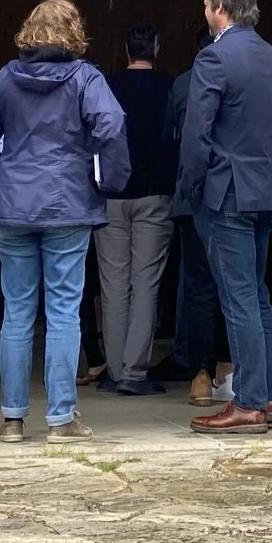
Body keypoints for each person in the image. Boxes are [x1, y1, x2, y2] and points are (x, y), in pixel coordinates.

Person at [0, 0, 130, 443]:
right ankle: (61, 420)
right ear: (74, 33)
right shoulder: (85, 77)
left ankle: (12, 420)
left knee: (17, 312)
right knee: (63, 312)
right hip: (67, 206)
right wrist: (108, 180)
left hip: (14, 206)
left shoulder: (6, 77)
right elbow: (112, 126)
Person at [175, 0, 272, 435]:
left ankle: (247, 403)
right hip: (267, 192)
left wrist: (190, 188)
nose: (205, 13)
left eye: (206, 5)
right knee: (257, 297)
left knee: (238, 298)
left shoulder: (213, 59)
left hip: (225, 193)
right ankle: (267, 394)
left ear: (219, 7)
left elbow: (195, 134)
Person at [95, 22, 176, 395]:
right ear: (155, 49)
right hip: (154, 194)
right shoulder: (169, 87)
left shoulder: (106, 86)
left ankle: (114, 368)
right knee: (146, 283)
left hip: (111, 194)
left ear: (126, 50)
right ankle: (134, 372)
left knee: (113, 285)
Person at [165, 66, 233, 407]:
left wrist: (184, 191)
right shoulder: (255, 69)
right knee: (237, 286)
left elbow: (175, 142)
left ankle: (201, 375)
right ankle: (231, 370)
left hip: (194, 199)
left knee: (199, 289)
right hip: (235, 194)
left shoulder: (183, 83)